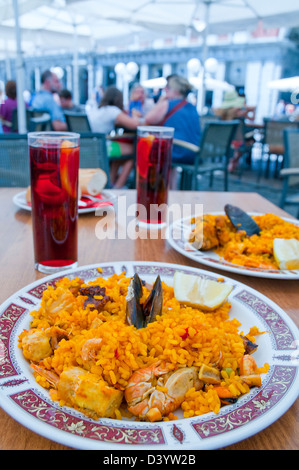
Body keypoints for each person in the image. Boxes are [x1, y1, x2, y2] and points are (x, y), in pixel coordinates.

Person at [88, 86, 141, 188]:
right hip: (103, 147)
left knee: (121, 155)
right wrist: (134, 113)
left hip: (93, 147)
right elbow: (135, 124)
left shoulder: (97, 109)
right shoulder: (112, 110)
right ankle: (118, 187)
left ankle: (111, 182)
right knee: (135, 151)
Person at [145, 74, 201, 165]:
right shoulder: (192, 107)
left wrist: (160, 101)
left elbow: (148, 119)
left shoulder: (168, 104)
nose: (165, 89)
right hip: (195, 153)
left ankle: (150, 178)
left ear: (175, 90)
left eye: (167, 87)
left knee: (146, 146)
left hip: (179, 152)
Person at [214, 89, 256, 172]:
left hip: (223, 139)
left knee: (246, 141)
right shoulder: (237, 113)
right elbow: (252, 115)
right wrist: (247, 108)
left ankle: (232, 161)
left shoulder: (221, 112)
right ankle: (233, 161)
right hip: (235, 141)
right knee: (249, 141)